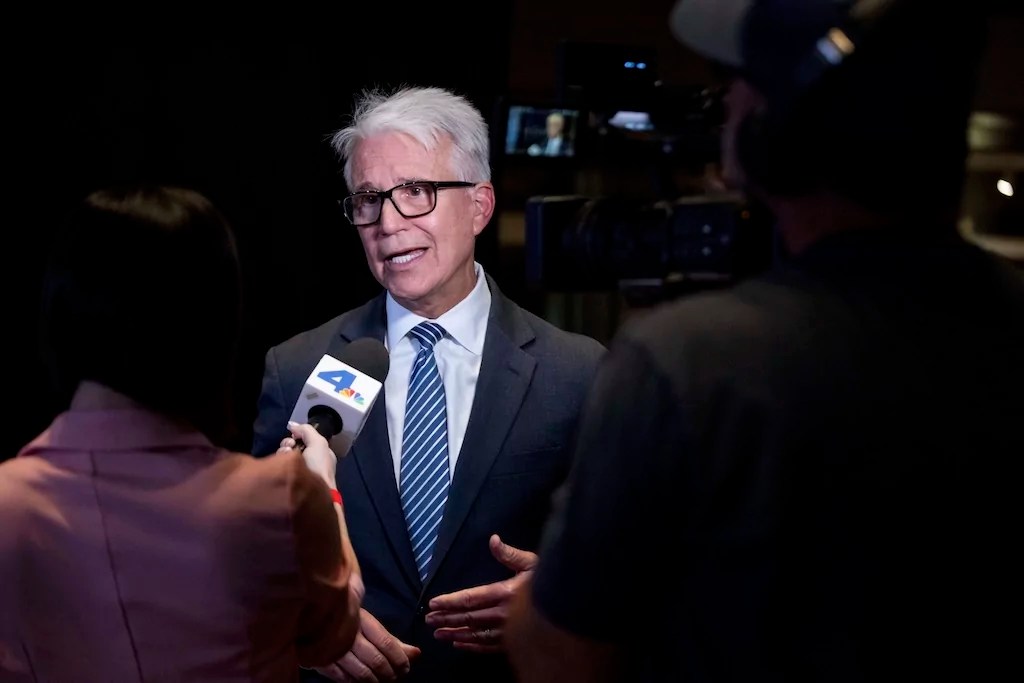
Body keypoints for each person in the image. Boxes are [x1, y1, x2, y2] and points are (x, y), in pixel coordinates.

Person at [506, 1, 1024, 682]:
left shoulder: (691, 361)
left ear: (774, 133)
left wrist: (545, 593)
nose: (726, 103)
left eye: (736, 81)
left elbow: (559, 656)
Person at [251, 85, 605, 682]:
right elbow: (252, 557)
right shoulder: (299, 366)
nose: (388, 223)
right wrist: (307, 624)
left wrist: (558, 598)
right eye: (369, 199)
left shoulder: (577, 371)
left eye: (416, 191)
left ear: (480, 206)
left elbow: (637, 558)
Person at [0, 185, 363, 682]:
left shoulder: (9, 502)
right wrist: (323, 489)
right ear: (215, 325)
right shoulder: (280, 496)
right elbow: (333, 632)